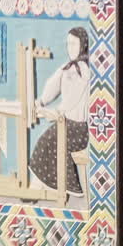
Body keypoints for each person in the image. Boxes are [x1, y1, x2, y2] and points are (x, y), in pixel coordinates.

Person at [29, 27, 91, 195]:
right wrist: (41, 101)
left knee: (47, 142)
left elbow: (71, 99)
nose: (70, 47)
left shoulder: (83, 70)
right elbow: (53, 85)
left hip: (77, 128)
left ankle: (65, 187)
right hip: (66, 123)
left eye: (74, 44)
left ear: (83, 45)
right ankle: (45, 185)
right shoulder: (68, 67)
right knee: (46, 141)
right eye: (68, 44)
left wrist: (54, 112)